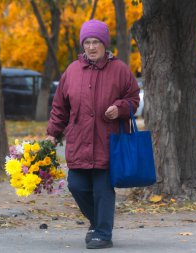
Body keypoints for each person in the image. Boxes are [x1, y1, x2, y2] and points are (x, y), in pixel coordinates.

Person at [46, 19, 140, 249]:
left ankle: (103, 233)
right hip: (79, 141)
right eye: (87, 42)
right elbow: (60, 107)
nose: (91, 47)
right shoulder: (72, 71)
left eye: (96, 42)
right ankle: (97, 224)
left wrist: (119, 109)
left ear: (104, 44)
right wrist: (52, 133)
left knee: (102, 190)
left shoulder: (120, 70)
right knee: (76, 185)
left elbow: (133, 101)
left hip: (108, 142)